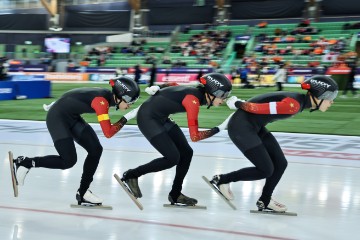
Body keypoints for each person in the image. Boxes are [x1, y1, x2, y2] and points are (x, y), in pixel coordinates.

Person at [208, 75, 338, 212]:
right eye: (330, 98)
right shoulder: (293, 105)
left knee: (280, 163)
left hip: (253, 125)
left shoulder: (297, 101)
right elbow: (255, 108)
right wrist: (237, 103)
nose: (332, 102)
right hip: (241, 127)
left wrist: (239, 103)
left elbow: (260, 105)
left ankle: (265, 200)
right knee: (265, 169)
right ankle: (222, 180)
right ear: (319, 95)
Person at [11, 76, 141, 205]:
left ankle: (83, 192)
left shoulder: (107, 96)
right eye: (129, 100)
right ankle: (25, 162)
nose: (130, 105)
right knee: (68, 160)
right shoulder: (102, 102)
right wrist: (126, 118)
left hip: (71, 117)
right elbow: (108, 133)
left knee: (95, 150)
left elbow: (80, 92)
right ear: (119, 94)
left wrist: (61, 101)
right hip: (57, 117)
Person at [120, 73, 233, 206]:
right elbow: (195, 136)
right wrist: (219, 128)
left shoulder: (197, 94)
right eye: (223, 95)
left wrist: (160, 87)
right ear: (212, 92)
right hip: (148, 118)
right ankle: (131, 175)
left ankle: (175, 194)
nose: (224, 99)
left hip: (161, 117)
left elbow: (174, 87)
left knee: (186, 152)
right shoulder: (193, 100)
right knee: (172, 158)